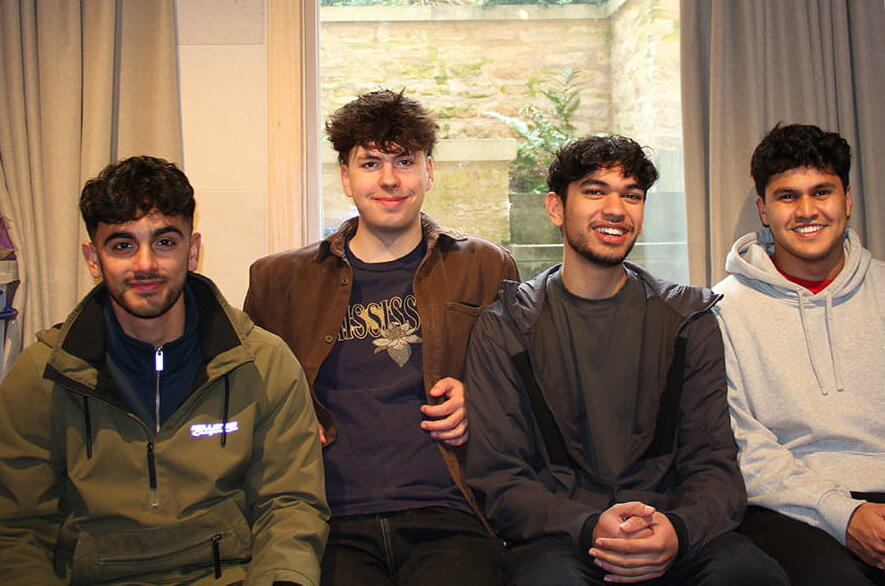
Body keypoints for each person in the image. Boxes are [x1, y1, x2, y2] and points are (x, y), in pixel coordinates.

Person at [465, 134, 789, 585]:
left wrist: (677, 530)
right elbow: (500, 478)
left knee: (750, 574)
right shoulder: (505, 327)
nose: (616, 209)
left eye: (631, 195)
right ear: (556, 208)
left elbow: (713, 463)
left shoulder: (688, 320)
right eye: (595, 191)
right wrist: (586, 526)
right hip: (562, 539)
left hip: (673, 530)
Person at [0, 156, 328, 586]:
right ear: (93, 259)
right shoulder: (41, 375)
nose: (145, 265)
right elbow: (18, 530)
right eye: (122, 245)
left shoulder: (263, 363)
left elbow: (291, 506)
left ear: (192, 251)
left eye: (164, 243)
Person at [244, 89, 517, 586]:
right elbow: (250, 406)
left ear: (428, 172)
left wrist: (482, 401)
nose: (389, 179)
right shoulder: (279, 281)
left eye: (404, 161)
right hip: (330, 520)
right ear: (346, 178)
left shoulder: (484, 266)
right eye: (370, 163)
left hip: (450, 514)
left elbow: (528, 388)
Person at [714, 123, 885, 585]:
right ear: (764, 211)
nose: (807, 211)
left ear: (847, 200)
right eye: (788, 197)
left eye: (822, 192)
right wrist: (843, 515)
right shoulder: (723, 310)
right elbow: (742, 445)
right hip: (791, 511)